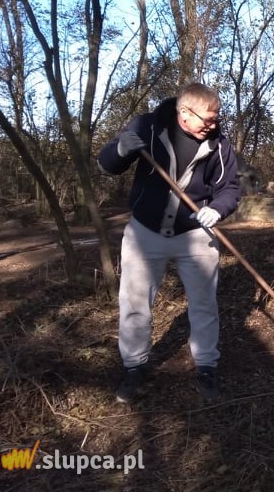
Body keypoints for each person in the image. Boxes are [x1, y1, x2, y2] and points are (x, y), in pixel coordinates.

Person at [98, 82, 241, 403]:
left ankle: (206, 367)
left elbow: (229, 189)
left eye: (216, 118)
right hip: (144, 233)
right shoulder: (146, 127)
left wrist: (217, 210)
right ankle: (135, 367)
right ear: (184, 113)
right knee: (134, 305)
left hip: (195, 236)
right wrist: (120, 150)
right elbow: (107, 164)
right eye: (207, 119)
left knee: (204, 304)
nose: (213, 125)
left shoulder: (219, 145)